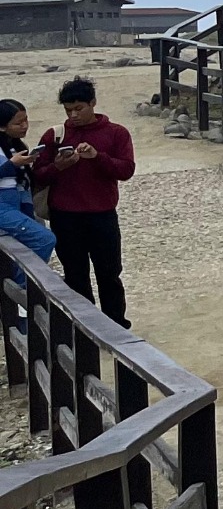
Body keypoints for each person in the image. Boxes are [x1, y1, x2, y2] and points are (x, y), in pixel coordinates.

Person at [33, 77, 136, 326]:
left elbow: (126, 170)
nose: (73, 115)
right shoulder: (55, 135)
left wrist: (97, 157)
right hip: (64, 216)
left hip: (102, 214)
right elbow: (36, 175)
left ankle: (115, 325)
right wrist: (58, 167)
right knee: (75, 275)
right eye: (68, 110)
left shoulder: (116, 133)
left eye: (79, 108)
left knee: (109, 273)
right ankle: (84, 328)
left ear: (93, 103)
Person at [0, 99, 56, 262]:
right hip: (4, 206)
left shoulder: (16, 146)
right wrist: (11, 165)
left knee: (25, 244)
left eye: (26, 120)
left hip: (16, 203)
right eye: (18, 123)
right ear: (2, 126)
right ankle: (23, 278)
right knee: (44, 239)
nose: (25, 126)